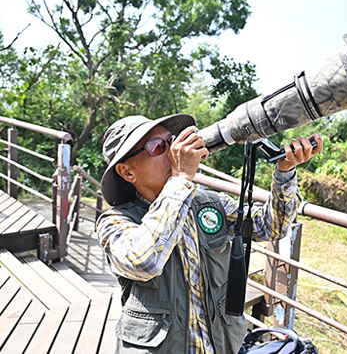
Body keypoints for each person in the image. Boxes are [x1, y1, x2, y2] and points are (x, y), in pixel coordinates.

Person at [97, 114, 323, 354]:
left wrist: (284, 173)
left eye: (172, 141)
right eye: (158, 147)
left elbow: (271, 226)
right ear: (127, 172)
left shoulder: (209, 204)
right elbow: (145, 261)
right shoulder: (115, 222)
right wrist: (181, 178)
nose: (174, 151)